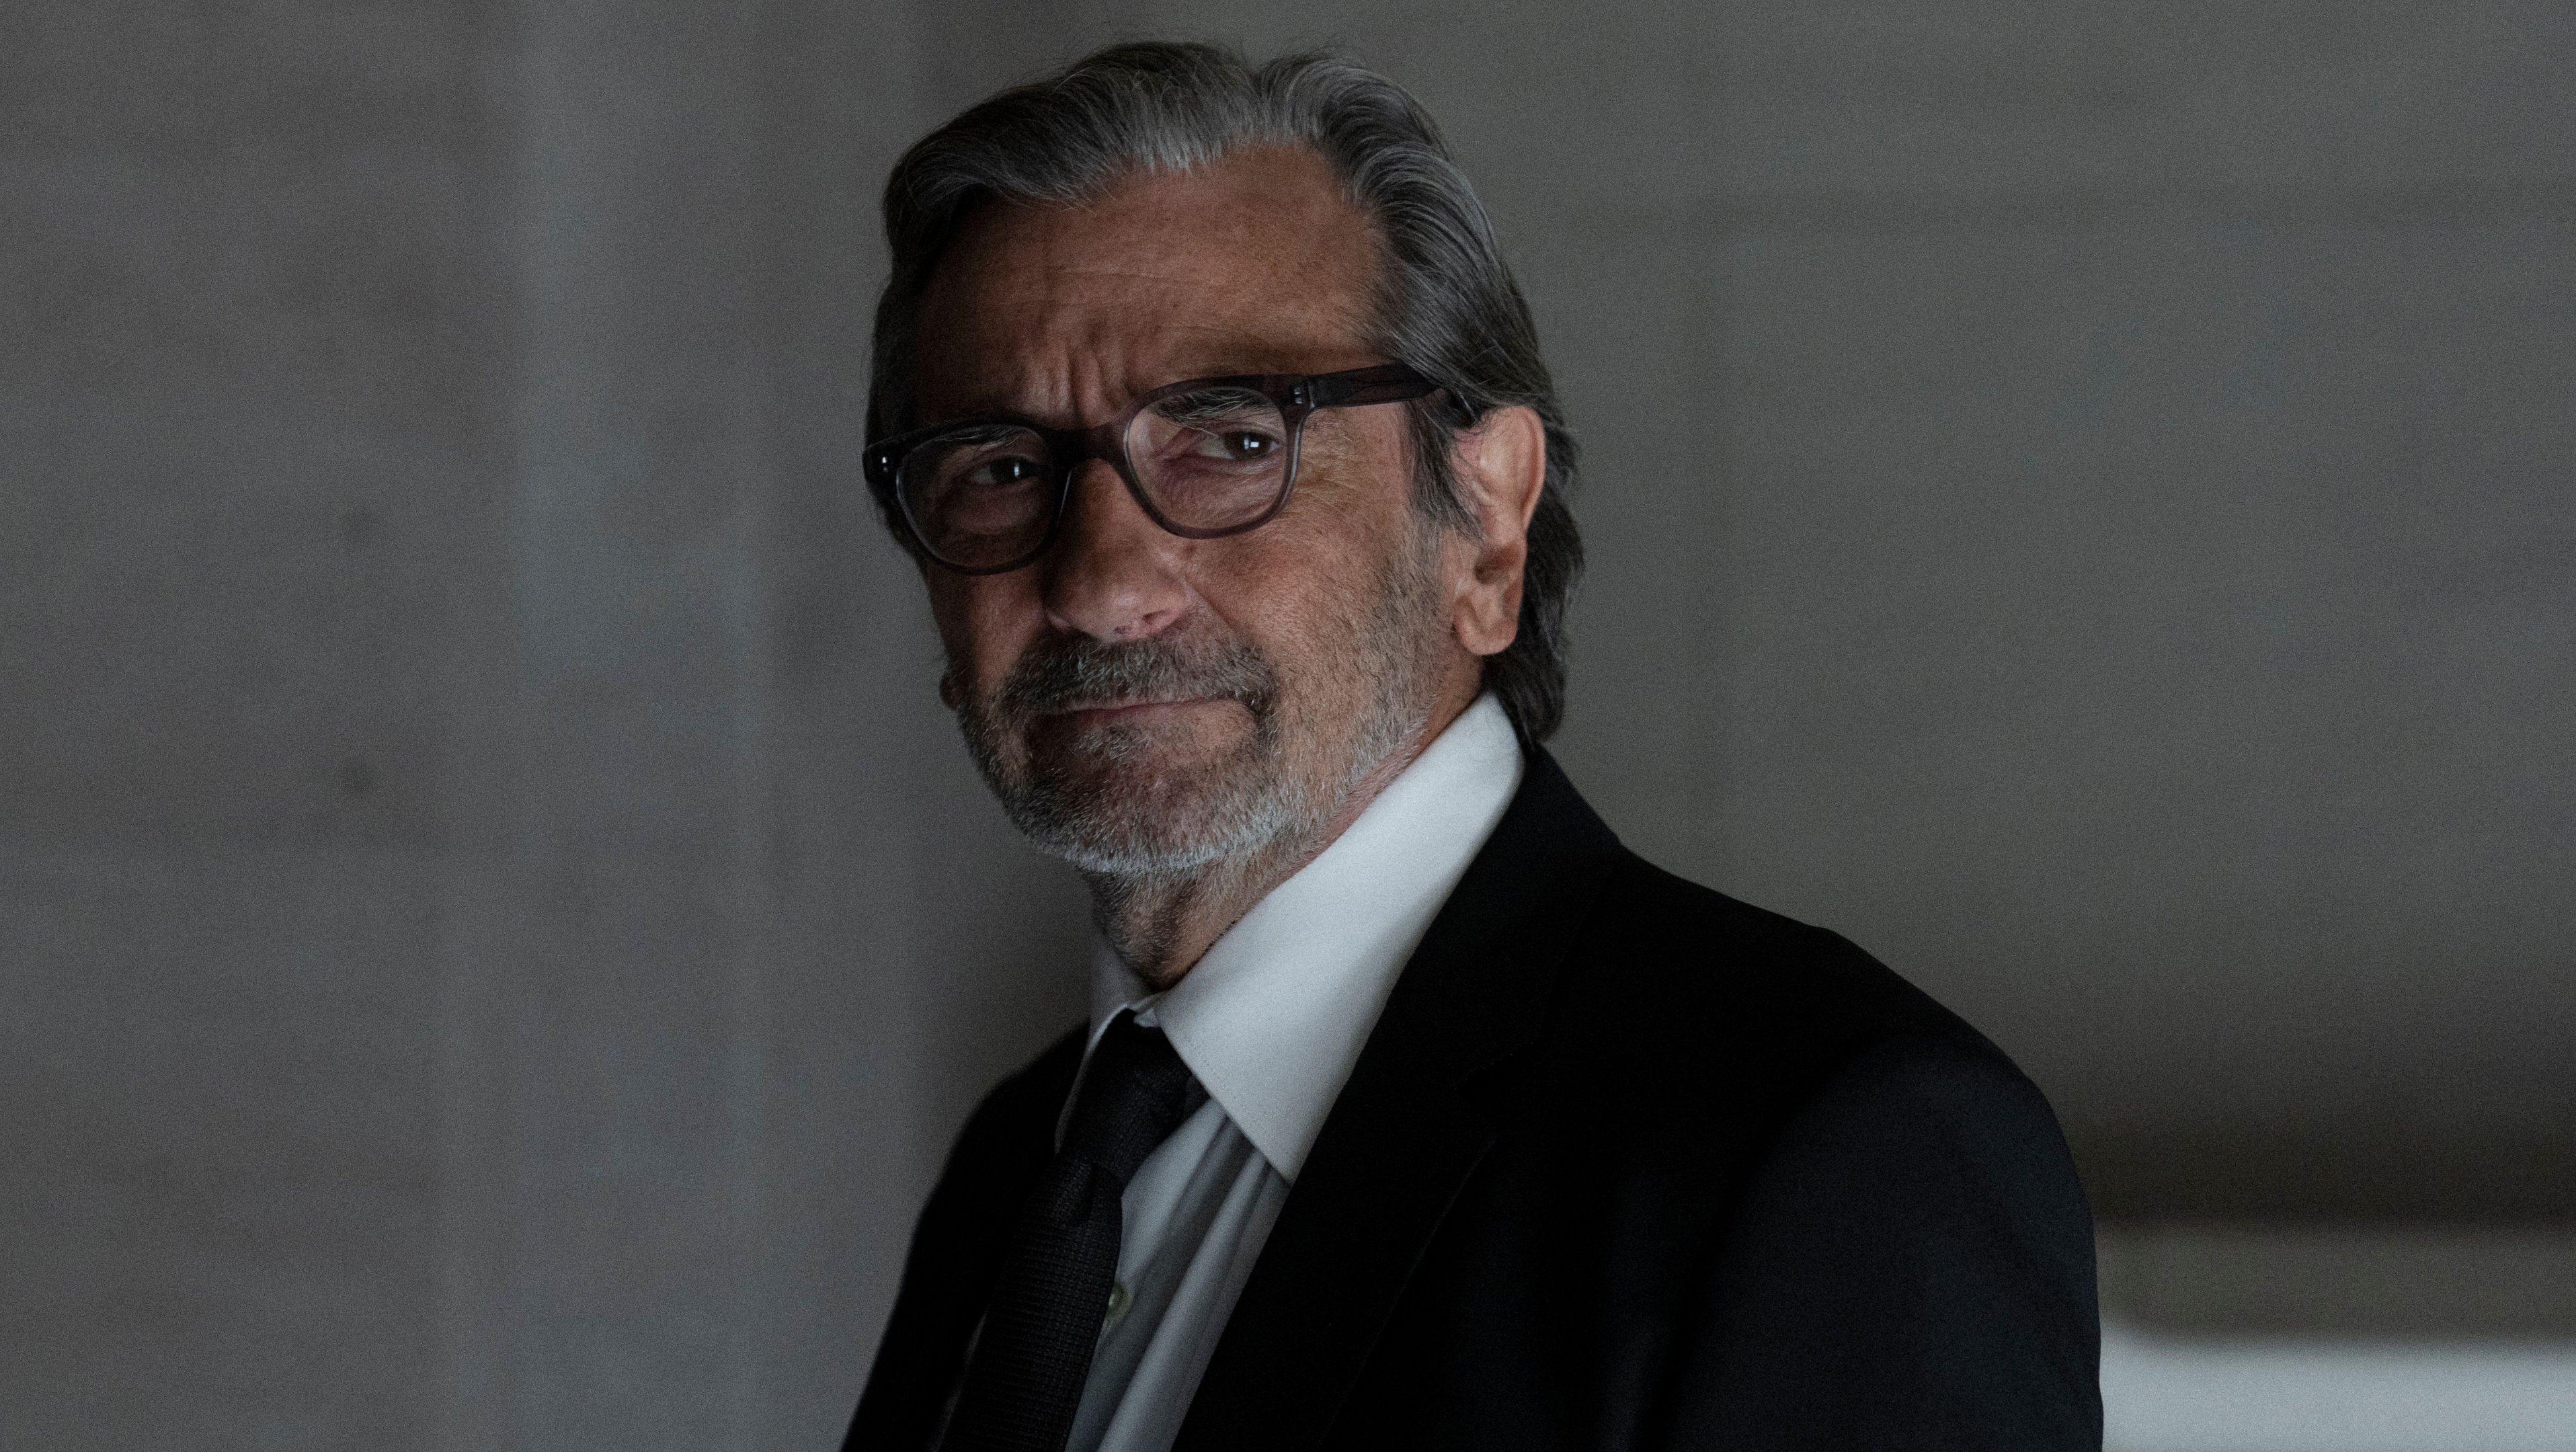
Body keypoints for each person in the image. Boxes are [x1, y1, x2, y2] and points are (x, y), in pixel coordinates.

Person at [843, 42, 2099, 1452]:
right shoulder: (1022, 1163)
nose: (1100, 584)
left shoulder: (1829, 1153)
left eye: (1232, 440)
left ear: (1488, 527)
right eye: (1001, 470)